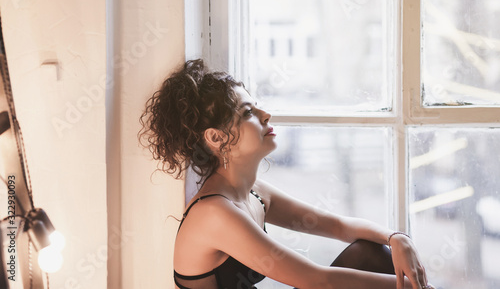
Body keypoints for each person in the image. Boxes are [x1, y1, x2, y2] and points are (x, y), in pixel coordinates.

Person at [139, 59, 435, 289]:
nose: (265, 114)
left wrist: (396, 237)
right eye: (247, 113)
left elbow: (337, 226)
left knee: (368, 253)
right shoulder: (213, 213)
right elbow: (316, 280)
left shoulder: (255, 193)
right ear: (216, 139)